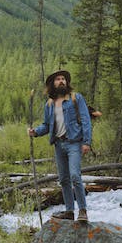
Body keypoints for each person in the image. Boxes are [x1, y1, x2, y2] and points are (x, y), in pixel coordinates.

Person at [28, 69, 93, 222]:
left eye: (63, 78)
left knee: (75, 176)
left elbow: (85, 120)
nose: (61, 81)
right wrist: (35, 132)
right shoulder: (49, 104)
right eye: (58, 79)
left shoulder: (76, 98)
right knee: (64, 179)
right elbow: (47, 125)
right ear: (53, 83)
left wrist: (87, 142)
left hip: (74, 144)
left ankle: (82, 211)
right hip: (59, 144)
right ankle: (69, 211)